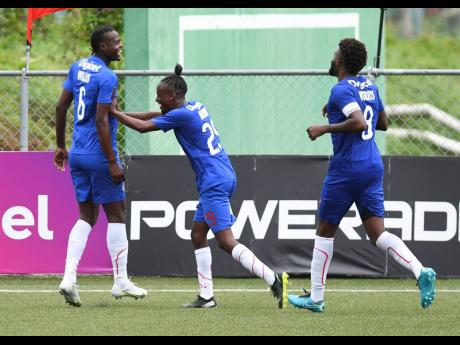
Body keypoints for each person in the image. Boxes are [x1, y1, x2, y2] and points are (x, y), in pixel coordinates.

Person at [109, 64, 289, 309]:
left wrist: (113, 113)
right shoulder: (195, 106)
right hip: (221, 177)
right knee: (197, 235)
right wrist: (121, 112)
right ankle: (206, 297)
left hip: (214, 182)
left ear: (172, 97)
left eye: (160, 96)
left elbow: (142, 128)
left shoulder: (180, 115)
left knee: (226, 241)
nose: (157, 99)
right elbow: (154, 115)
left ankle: (273, 278)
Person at [288, 38, 436, 313]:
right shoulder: (369, 85)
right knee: (378, 233)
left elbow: (359, 122)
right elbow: (382, 124)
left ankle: (316, 299)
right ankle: (420, 270)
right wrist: (334, 110)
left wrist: (325, 127)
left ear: (340, 61)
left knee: (324, 230)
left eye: (335, 55)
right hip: (371, 165)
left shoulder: (340, 90)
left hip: (347, 170)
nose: (332, 58)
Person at [54, 25, 147, 307]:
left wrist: (60, 146)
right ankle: (121, 282)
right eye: (116, 42)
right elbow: (102, 121)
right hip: (98, 154)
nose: (120, 45)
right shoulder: (107, 76)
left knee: (86, 216)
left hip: (79, 153)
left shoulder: (78, 66)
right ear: (102, 47)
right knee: (117, 215)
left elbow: (61, 107)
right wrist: (111, 162)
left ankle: (68, 278)